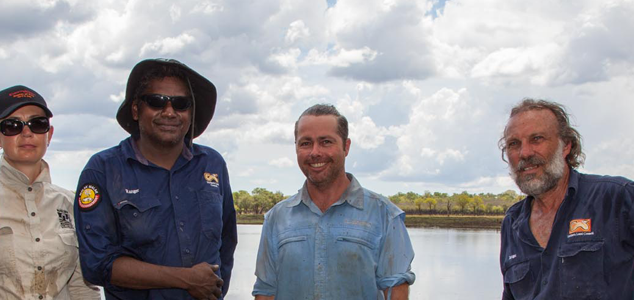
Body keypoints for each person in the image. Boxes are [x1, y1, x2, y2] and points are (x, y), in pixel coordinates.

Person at [498, 99, 634, 299]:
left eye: (537, 139)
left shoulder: (616, 198)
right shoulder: (513, 222)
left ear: (566, 145)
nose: (524, 153)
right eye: (513, 144)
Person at [73, 58, 237, 300]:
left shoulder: (212, 164)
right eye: (156, 101)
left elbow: (226, 243)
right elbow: (97, 263)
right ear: (136, 110)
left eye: (181, 104)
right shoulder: (103, 170)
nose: (169, 112)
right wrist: (186, 279)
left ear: (191, 114)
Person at [252, 104, 416, 300]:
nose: (315, 152)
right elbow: (265, 291)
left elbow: (396, 291)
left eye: (326, 142)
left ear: (346, 147)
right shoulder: (276, 219)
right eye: (305, 143)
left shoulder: (385, 215)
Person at [0, 85, 101, 300]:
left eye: (37, 124)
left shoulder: (70, 204)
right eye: (12, 126)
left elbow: (83, 285)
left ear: (49, 134)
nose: (27, 133)